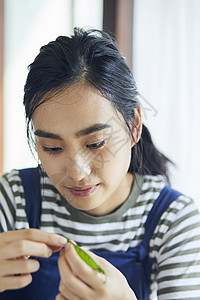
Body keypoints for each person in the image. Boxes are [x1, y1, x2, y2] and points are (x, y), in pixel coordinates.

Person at [0, 27, 200, 300]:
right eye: (52, 148)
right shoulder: (14, 199)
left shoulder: (172, 220)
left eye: (95, 143)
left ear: (134, 127)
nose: (77, 172)